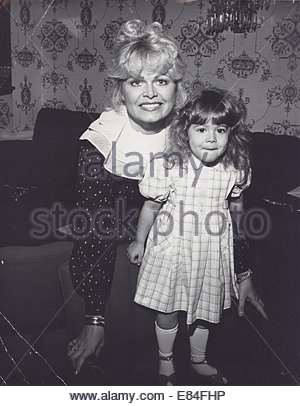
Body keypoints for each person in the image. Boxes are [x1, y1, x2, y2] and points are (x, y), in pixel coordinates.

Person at [67, 19, 266, 377]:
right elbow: (94, 227)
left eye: (161, 80)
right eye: (135, 81)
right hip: (126, 251)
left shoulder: (197, 132)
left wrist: (243, 271)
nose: (149, 93)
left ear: (177, 88)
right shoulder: (99, 143)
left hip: (194, 247)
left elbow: (231, 209)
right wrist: (94, 316)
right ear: (120, 91)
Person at [127, 88, 266, 385]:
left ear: (232, 132)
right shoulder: (168, 165)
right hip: (172, 246)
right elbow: (151, 206)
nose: (211, 138)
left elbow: (237, 208)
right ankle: (165, 361)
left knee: (205, 309)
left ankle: (198, 359)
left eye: (221, 129)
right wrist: (139, 240)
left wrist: (242, 256)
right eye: (201, 129)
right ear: (185, 131)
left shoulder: (235, 167)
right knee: (168, 308)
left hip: (211, 248)